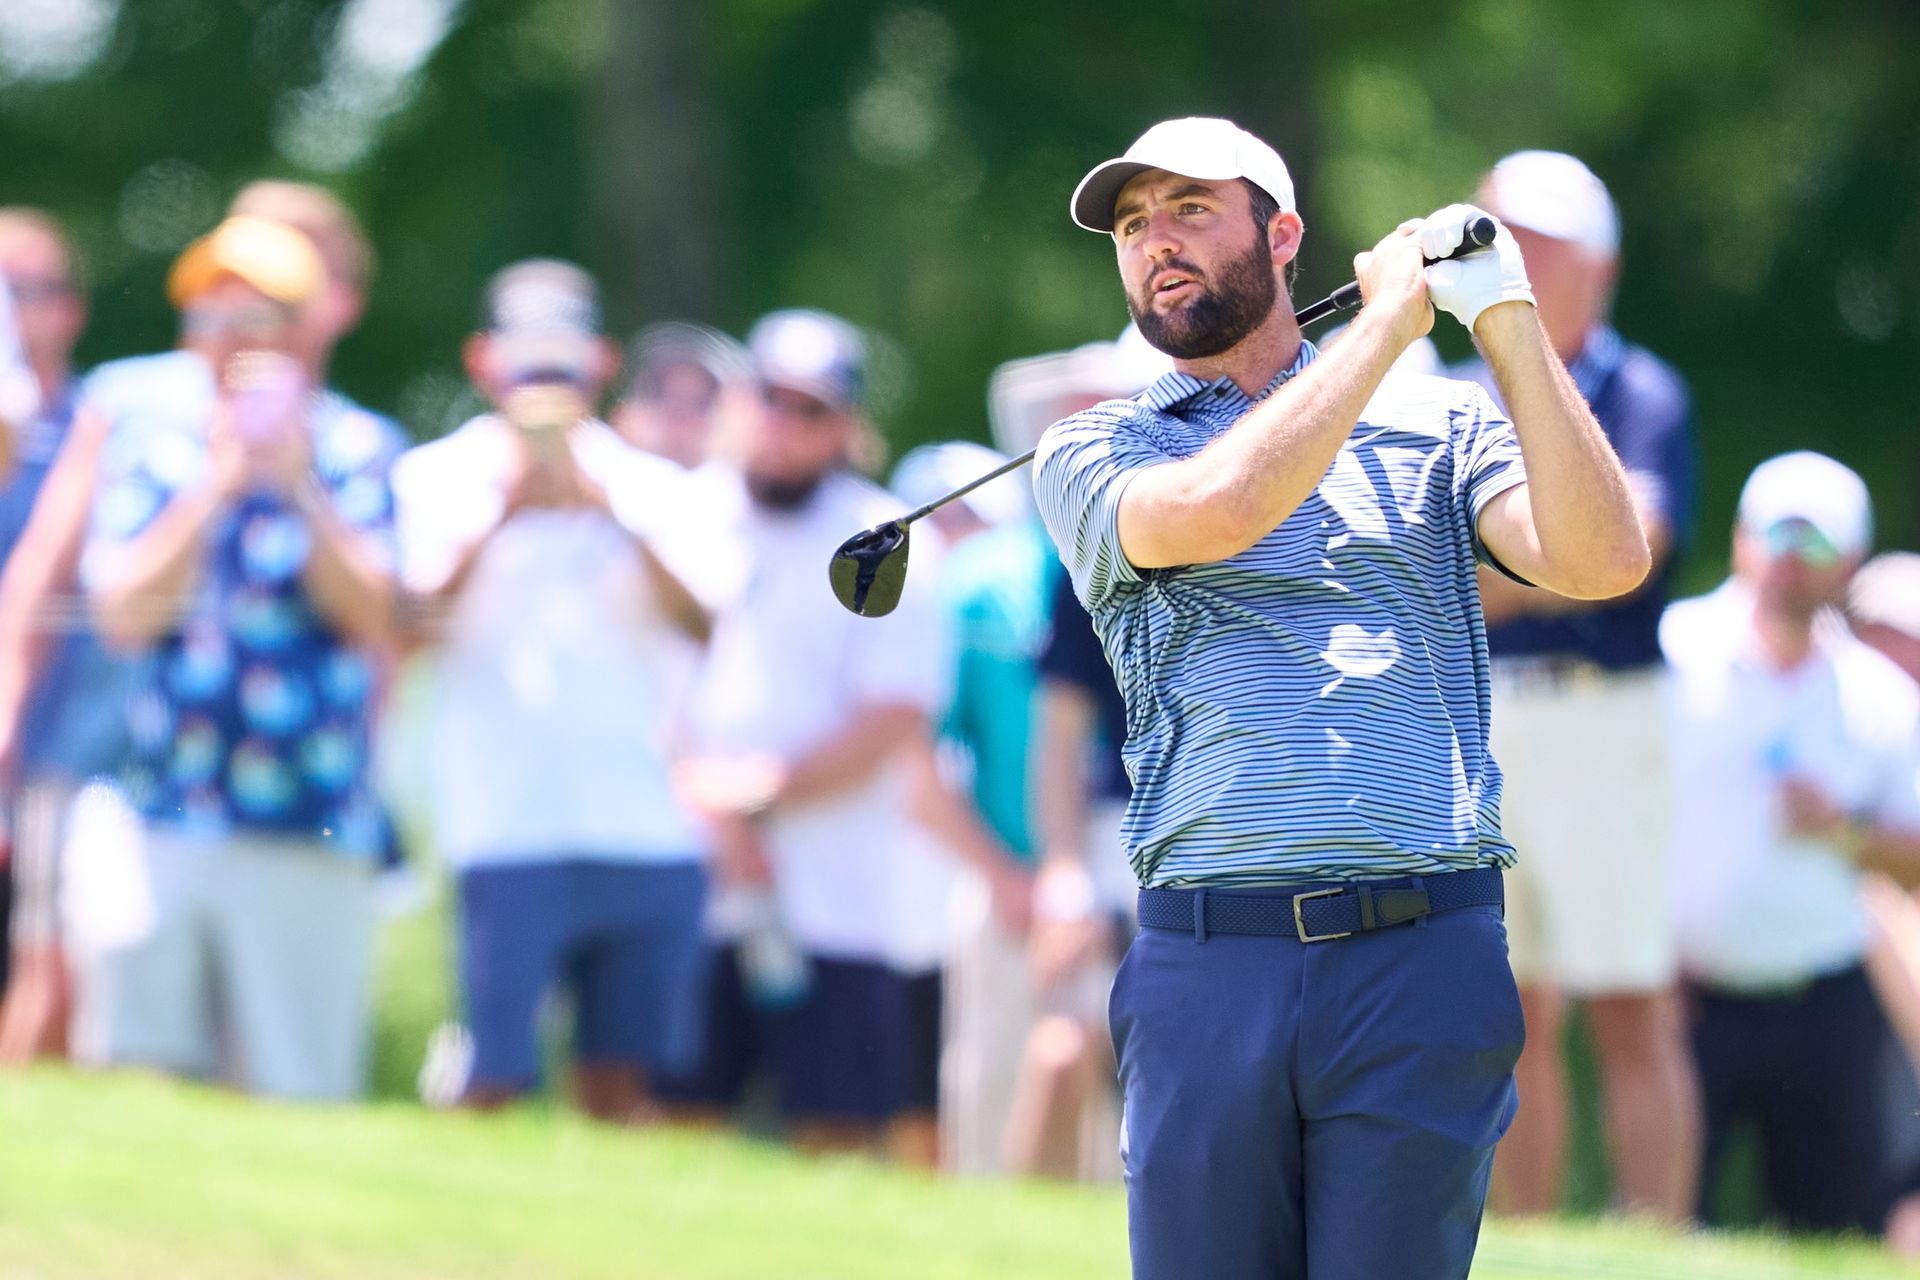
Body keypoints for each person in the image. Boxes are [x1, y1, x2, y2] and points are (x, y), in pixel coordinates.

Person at [1032, 117, 1648, 1278]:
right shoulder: (1097, 445)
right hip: (1210, 958)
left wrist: (1503, 316)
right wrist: (1384, 330)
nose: (1154, 242)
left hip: (1420, 954)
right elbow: (1215, 514)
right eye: (1131, 224)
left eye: (1189, 211)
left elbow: (1600, 558)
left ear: (1283, 233)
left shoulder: (1446, 422)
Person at [70, 215, 404, 1100]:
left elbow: (377, 615)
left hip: (310, 815)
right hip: (162, 807)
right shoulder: (157, 447)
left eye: (252, 319)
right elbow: (121, 614)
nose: (226, 341)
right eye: (210, 320)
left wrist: (296, 485)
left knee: (294, 1092)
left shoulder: (357, 448)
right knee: (140, 1086)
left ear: (300, 331)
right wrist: (213, 484)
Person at [392, 260, 714, 1120]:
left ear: (600, 363)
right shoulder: (436, 477)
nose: (545, 387)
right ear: (483, 363)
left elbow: (704, 624)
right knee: (490, 1075)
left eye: (561, 367)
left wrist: (610, 516)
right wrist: (501, 515)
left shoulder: (655, 487)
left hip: (643, 821)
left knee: (623, 1086)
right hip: (503, 823)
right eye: (528, 366)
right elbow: (412, 624)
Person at [1451, 151, 1700, 1220]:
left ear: (1598, 266)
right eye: (1505, 240)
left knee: (1630, 1003)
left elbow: (1627, 548)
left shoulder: (1638, 390)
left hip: (1606, 719)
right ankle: (1528, 1235)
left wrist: (1511, 570)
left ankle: (1656, 1228)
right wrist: (1555, 563)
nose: (1518, 264)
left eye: (1542, 246)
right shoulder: (1454, 393)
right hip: (1490, 716)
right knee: (1511, 1008)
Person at [661, 308, 948, 1156]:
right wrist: (707, 805)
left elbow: (896, 714)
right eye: (771, 400)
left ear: (849, 427)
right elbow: (634, 683)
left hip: (838, 896)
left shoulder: (882, 539)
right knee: (668, 1127)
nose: (785, 425)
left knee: (841, 1138)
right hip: (690, 876)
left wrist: (760, 798)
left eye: (812, 409)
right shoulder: (678, 517)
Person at [1662, 452, 1920, 1235]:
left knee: (1833, 1237)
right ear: (1742, 539)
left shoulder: (1879, 695)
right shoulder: (1670, 655)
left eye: (1813, 545)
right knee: (1656, 1230)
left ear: (1847, 561)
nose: (1788, 560)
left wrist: (1841, 829)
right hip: (1683, 999)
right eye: (1776, 535)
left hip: (1825, 1006)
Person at [0, 208, 128, 1064]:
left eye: (25, 291)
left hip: (62, 746)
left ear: (69, 310)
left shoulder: (105, 426)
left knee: (51, 962)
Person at [609, 320, 749, 469]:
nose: (681, 412)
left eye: (699, 402)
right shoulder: (602, 466)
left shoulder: (730, 484)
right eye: (665, 395)